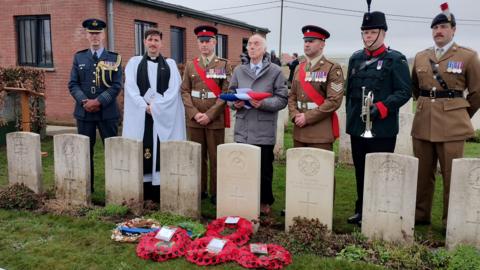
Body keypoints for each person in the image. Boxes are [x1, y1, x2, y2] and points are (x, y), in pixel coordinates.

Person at [411, 3, 480, 226]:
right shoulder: (421, 57)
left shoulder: (468, 56)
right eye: (435, 28)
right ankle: (420, 215)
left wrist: (460, 115)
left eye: (443, 27)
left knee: (452, 176)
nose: (438, 31)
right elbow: (415, 89)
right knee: (422, 174)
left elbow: (477, 92)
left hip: (452, 126)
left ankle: (452, 220)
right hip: (423, 122)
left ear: (453, 29)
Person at [345, 3, 411, 225]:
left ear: (383, 33)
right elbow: (349, 94)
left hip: (382, 129)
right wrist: (352, 122)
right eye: (365, 32)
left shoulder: (396, 59)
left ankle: (380, 208)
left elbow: (404, 91)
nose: (368, 36)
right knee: (361, 172)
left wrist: (382, 107)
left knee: (381, 172)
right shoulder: (355, 59)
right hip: (358, 127)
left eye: (373, 32)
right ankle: (361, 209)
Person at [122, 28, 186, 203]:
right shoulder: (134, 63)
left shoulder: (170, 64)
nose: (153, 43)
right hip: (142, 115)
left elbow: (174, 90)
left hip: (162, 115)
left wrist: (157, 107)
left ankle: (159, 188)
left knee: (160, 147)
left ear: (161, 43)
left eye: (156, 40)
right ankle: (144, 188)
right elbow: (131, 88)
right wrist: (145, 106)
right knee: (144, 145)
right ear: (144, 42)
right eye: (150, 39)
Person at [229, 34, 288, 215]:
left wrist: (263, 103)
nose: (252, 47)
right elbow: (231, 93)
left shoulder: (275, 71)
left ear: (264, 49)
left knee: (264, 168)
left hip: (263, 127)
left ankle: (264, 201)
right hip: (244, 126)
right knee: (243, 167)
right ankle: (245, 197)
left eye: (256, 44)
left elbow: (282, 99)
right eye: (250, 45)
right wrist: (234, 103)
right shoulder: (239, 70)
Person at [68, 18, 122, 193]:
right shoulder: (79, 57)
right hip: (84, 113)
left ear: (103, 34)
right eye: (91, 33)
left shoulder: (114, 58)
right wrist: (85, 101)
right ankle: (87, 189)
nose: (94, 37)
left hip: (107, 112)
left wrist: (98, 101)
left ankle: (115, 188)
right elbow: (73, 84)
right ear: (86, 35)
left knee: (113, 152)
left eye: (98, 33)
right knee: (84, 153)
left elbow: (116, 85)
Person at [180, 25, 232, 205]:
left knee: (215, 157)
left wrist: (209, 114)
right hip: (194, 120)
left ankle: (216, 191)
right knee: (197, 156)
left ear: (214, 42)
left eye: (207, 41)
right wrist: (194, 114)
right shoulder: (190, 65)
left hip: (214, 119)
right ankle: (199, 189)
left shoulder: (224, 64)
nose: (204, 45)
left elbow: (226, 93)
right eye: (201, 42)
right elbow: (185, 91)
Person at [288, 25, 344, 151]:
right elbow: (292, 96)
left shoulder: (332, 68)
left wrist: (307, 118)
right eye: (305, 41)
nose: (306, 44)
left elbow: (334, 101)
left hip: (320, 132)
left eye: (311, 41)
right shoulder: (299, 68)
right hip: (299, 131)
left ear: (322, 44)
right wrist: (295, 115)